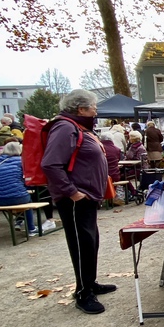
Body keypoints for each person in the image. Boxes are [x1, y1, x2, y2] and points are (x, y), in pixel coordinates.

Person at [42, 89, 116, 315]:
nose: (96, 111)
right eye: (93, 107)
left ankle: (89, 282)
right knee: (81, 243)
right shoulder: (65, 127)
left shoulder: (78, 127)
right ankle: (83, 293)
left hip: (87, 196)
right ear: (81, 109)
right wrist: (72, 192)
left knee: (90, 241)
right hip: (75, 198)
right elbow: (51, 164)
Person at [0, 141, 37, 236]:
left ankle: (19, 221)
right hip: (18, 197)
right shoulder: (20, 161)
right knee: (27, 201)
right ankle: (31, 228)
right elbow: (27, 177)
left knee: (16, 192)